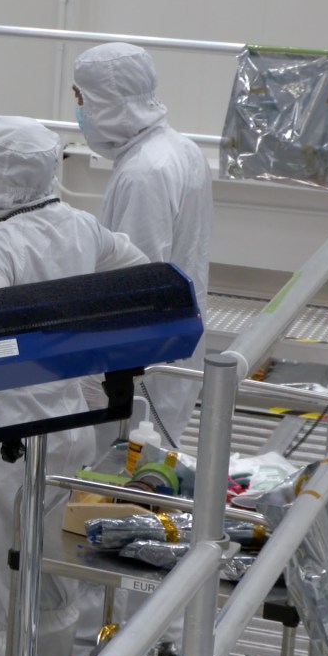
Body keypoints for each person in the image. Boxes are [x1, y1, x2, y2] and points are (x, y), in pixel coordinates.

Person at [0, 118, 147, 656]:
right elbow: (143, 275)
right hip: (69, 432)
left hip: (2, 442)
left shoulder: (0, 246)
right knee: (56, 577)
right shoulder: (80, 225)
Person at [72, 43, 213, 445]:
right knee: (151, 458)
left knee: (124, 468)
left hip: (140, 367)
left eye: (81, 98)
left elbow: (134, 282)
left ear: (106, 101)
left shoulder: (145, 172)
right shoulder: (179, 149)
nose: (79, 110)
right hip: (174, 344)